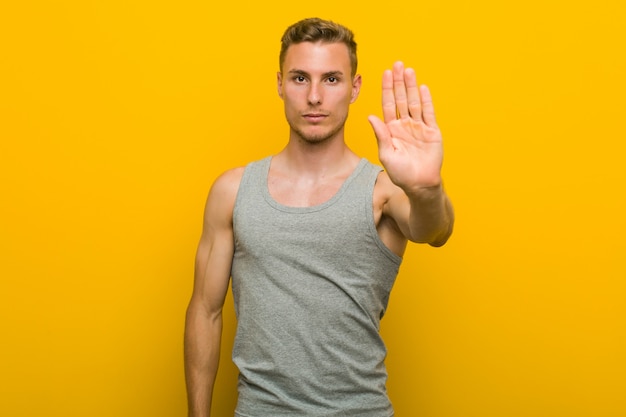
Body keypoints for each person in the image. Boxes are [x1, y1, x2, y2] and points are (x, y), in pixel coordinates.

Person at [184, 17, 454, 417]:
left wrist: (428, 189)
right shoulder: (232, 191)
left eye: (331, 79)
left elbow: (435, 230)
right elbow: (205, 311)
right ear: (279, 84)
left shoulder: (384, 190)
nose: (314, 96)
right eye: (299, 78)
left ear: (354, 87)